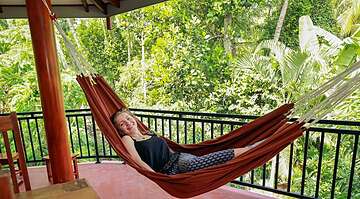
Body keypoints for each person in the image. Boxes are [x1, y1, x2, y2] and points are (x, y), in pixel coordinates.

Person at [111, 108, 263, 175]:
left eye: (128, 118)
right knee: (208, 163)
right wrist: (156, 176)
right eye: (122, 124)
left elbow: (168, 151)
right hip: (168, 172)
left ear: (134, 118)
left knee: (208, 162)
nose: (128, 123)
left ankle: (251, 150)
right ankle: (251, 150)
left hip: (180, 160)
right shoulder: (128, 139)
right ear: (120, 130)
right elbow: (137, 161)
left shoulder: (149, 133)